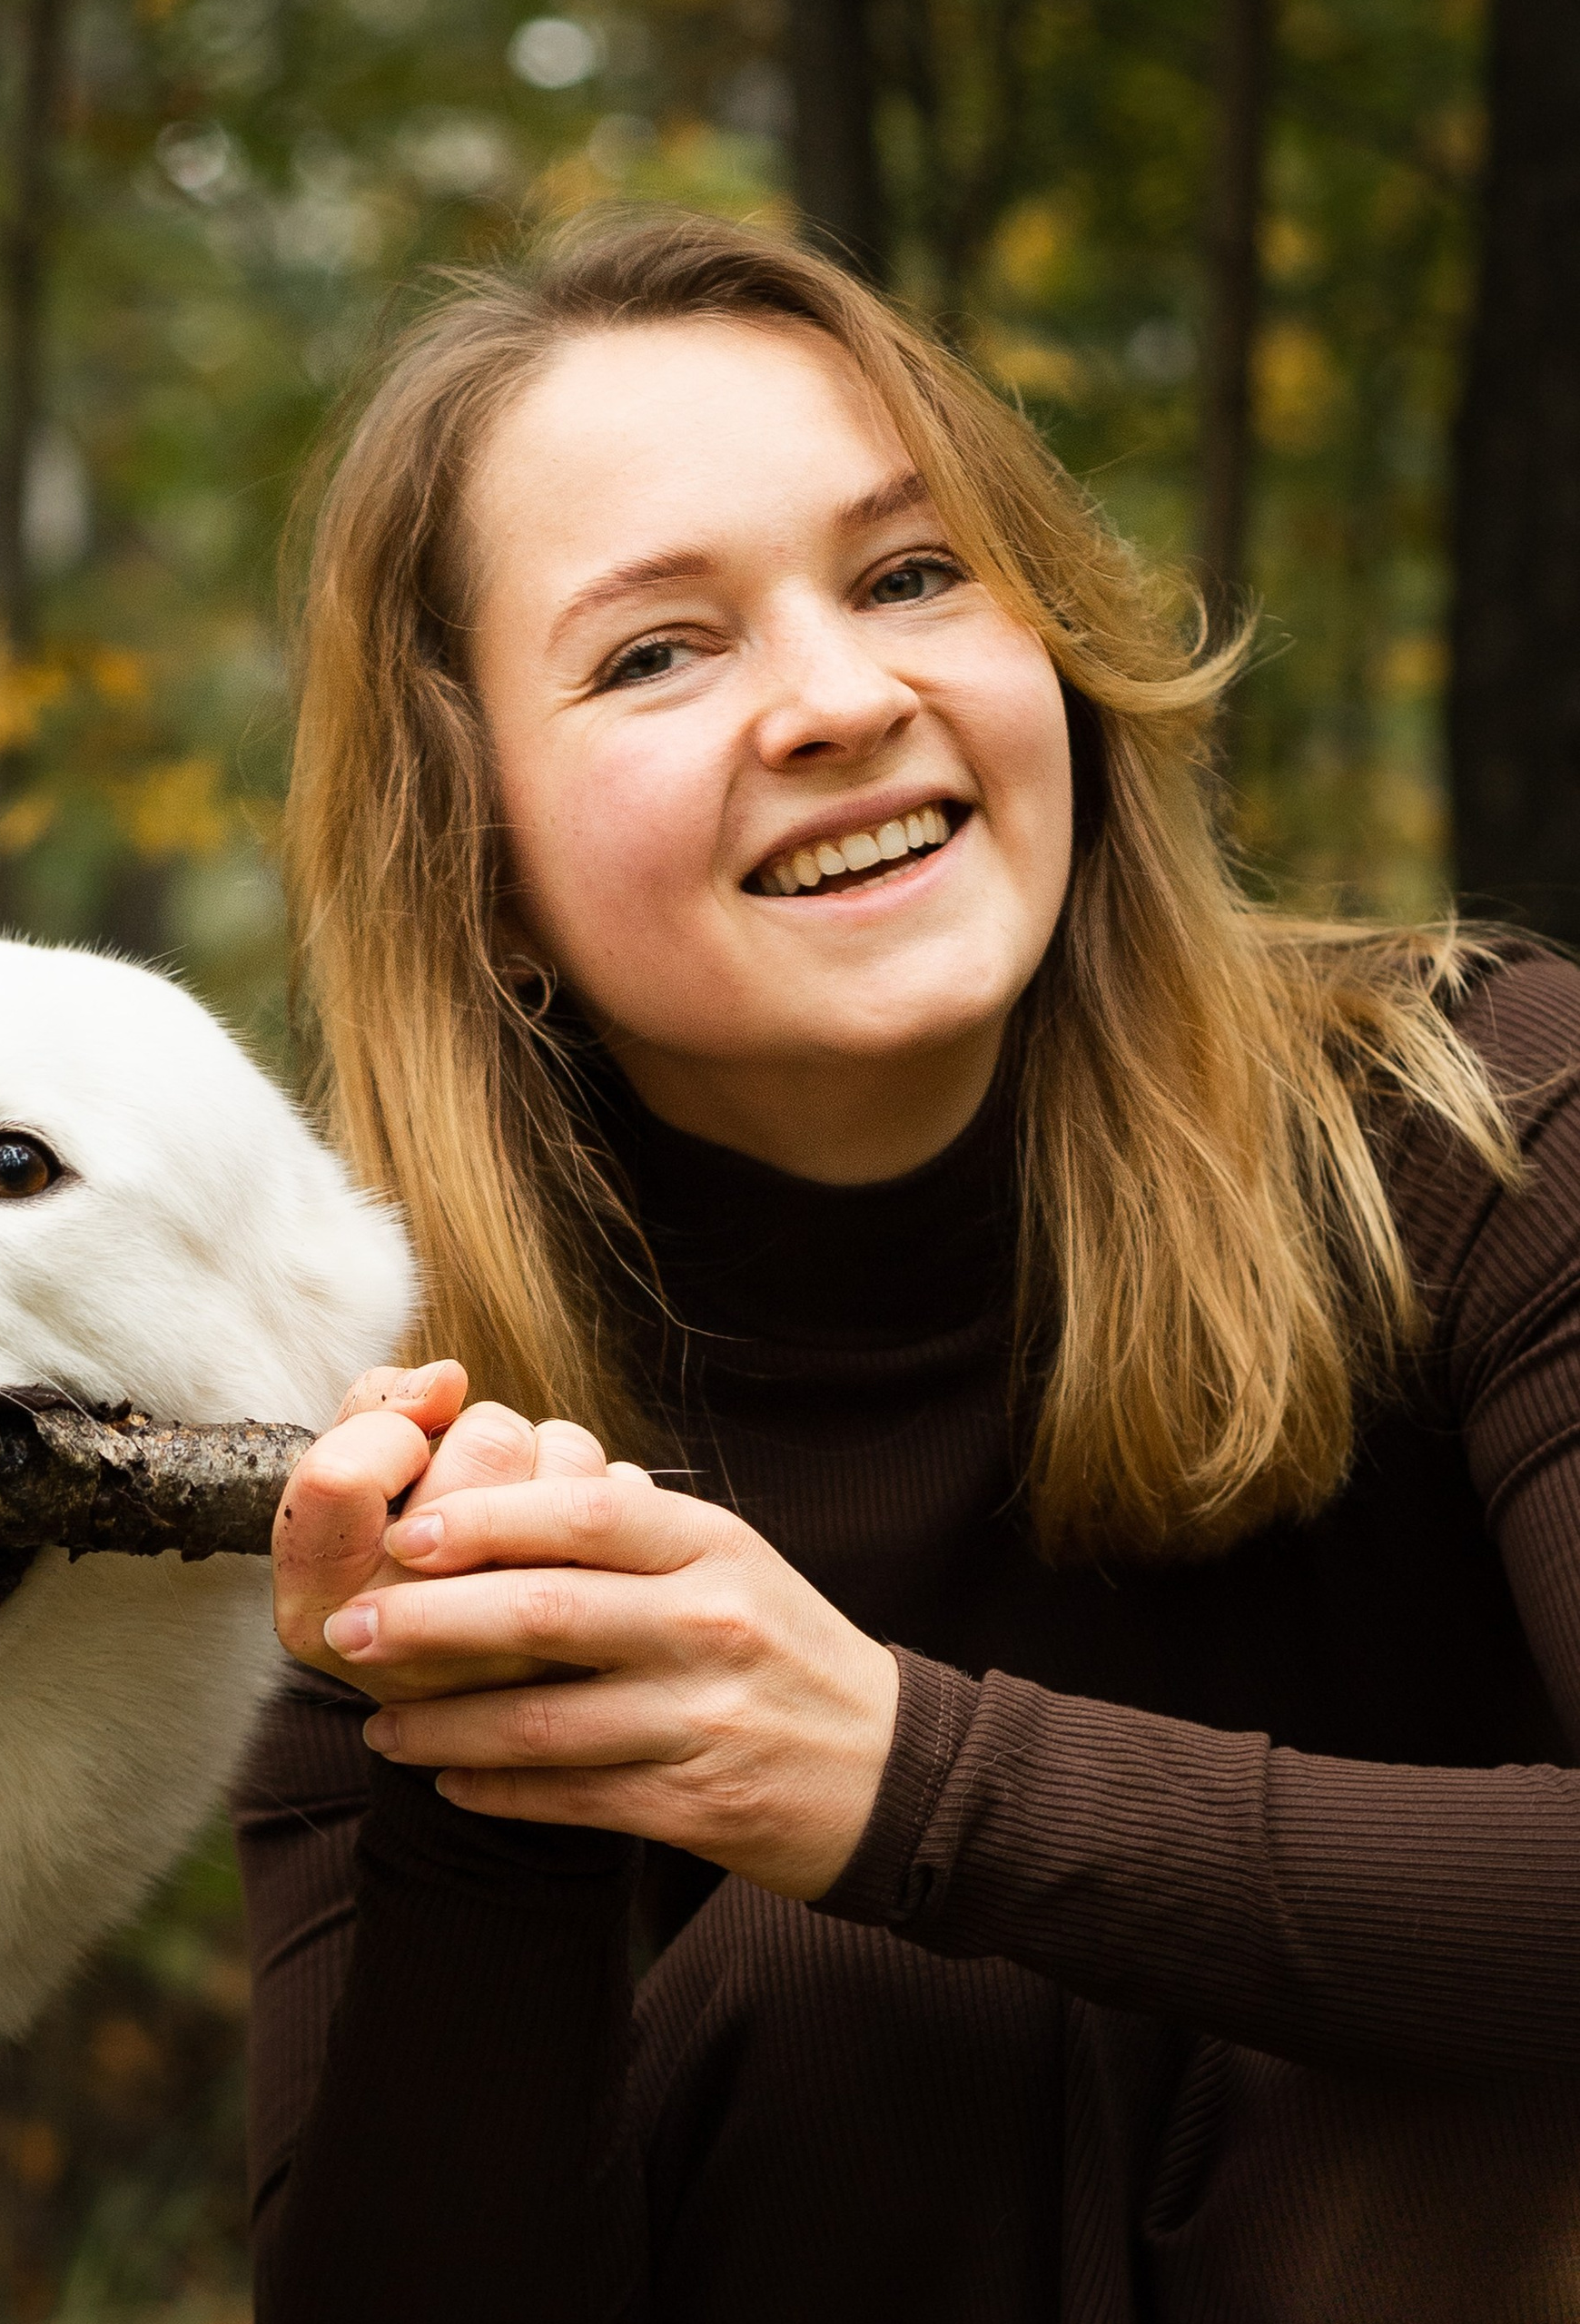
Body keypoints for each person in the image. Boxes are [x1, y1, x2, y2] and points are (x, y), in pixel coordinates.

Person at [231, 209, 1580, 2324]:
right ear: (471, 854)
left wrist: (896, 1780)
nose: (844, 698)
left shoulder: (1483, 1111)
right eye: (655, 650)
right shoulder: (384, 1418)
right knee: (841, 2009)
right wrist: (474, 1758)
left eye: (909, 572)